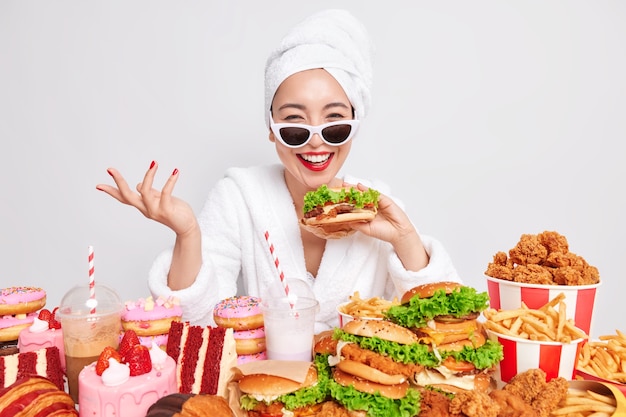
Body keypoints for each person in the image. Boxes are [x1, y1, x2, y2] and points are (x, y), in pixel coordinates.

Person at [96, 9, 460, 333]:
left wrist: (405, 239)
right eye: (295, 124)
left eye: (334, 123)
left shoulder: (378, 205)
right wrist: (188, 234)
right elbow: (196, 323)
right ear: (271, 129)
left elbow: (446, 329)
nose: (316, 143)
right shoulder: (240, 196)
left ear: (355, 124)